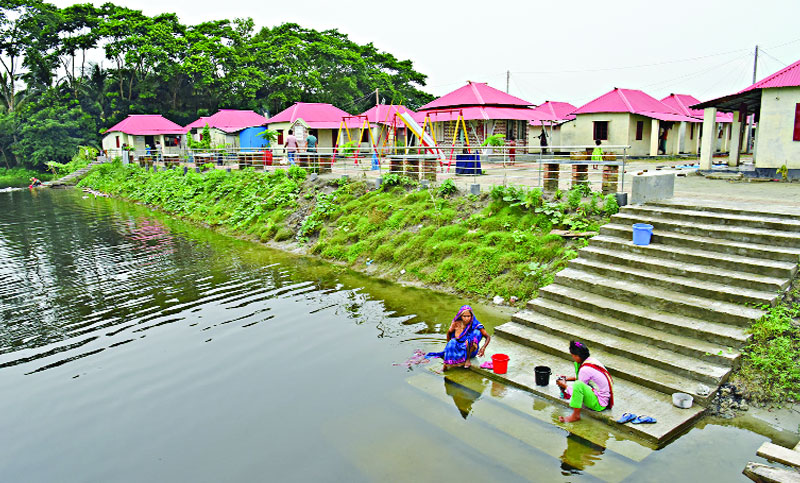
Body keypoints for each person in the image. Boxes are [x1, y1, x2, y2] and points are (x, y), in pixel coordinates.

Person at [556, 341, 614, 423]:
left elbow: (578, 389)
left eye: (572, 355)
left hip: (599, 403)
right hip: (604, 397)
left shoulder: (584, 370)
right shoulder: (591, 361)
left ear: (577, 356)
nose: (572, 357)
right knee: (578, 379)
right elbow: (585, 378)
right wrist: (567, 378)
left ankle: (575, 416)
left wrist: (565, 386)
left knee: (577, 385)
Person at [426, 305, 491, 371]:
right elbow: (449, 333)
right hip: (459, 346)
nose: (466, 318)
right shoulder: (456, 323)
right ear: (461, 316)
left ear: (471, 316)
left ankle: (467, 360)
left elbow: (487, 336)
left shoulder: (476, 325)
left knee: (475, 334)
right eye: (464, 316)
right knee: (452, 342)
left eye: (468, 316)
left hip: (470, 350)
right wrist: (449, 347)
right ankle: (445, 366)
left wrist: (483, 347)